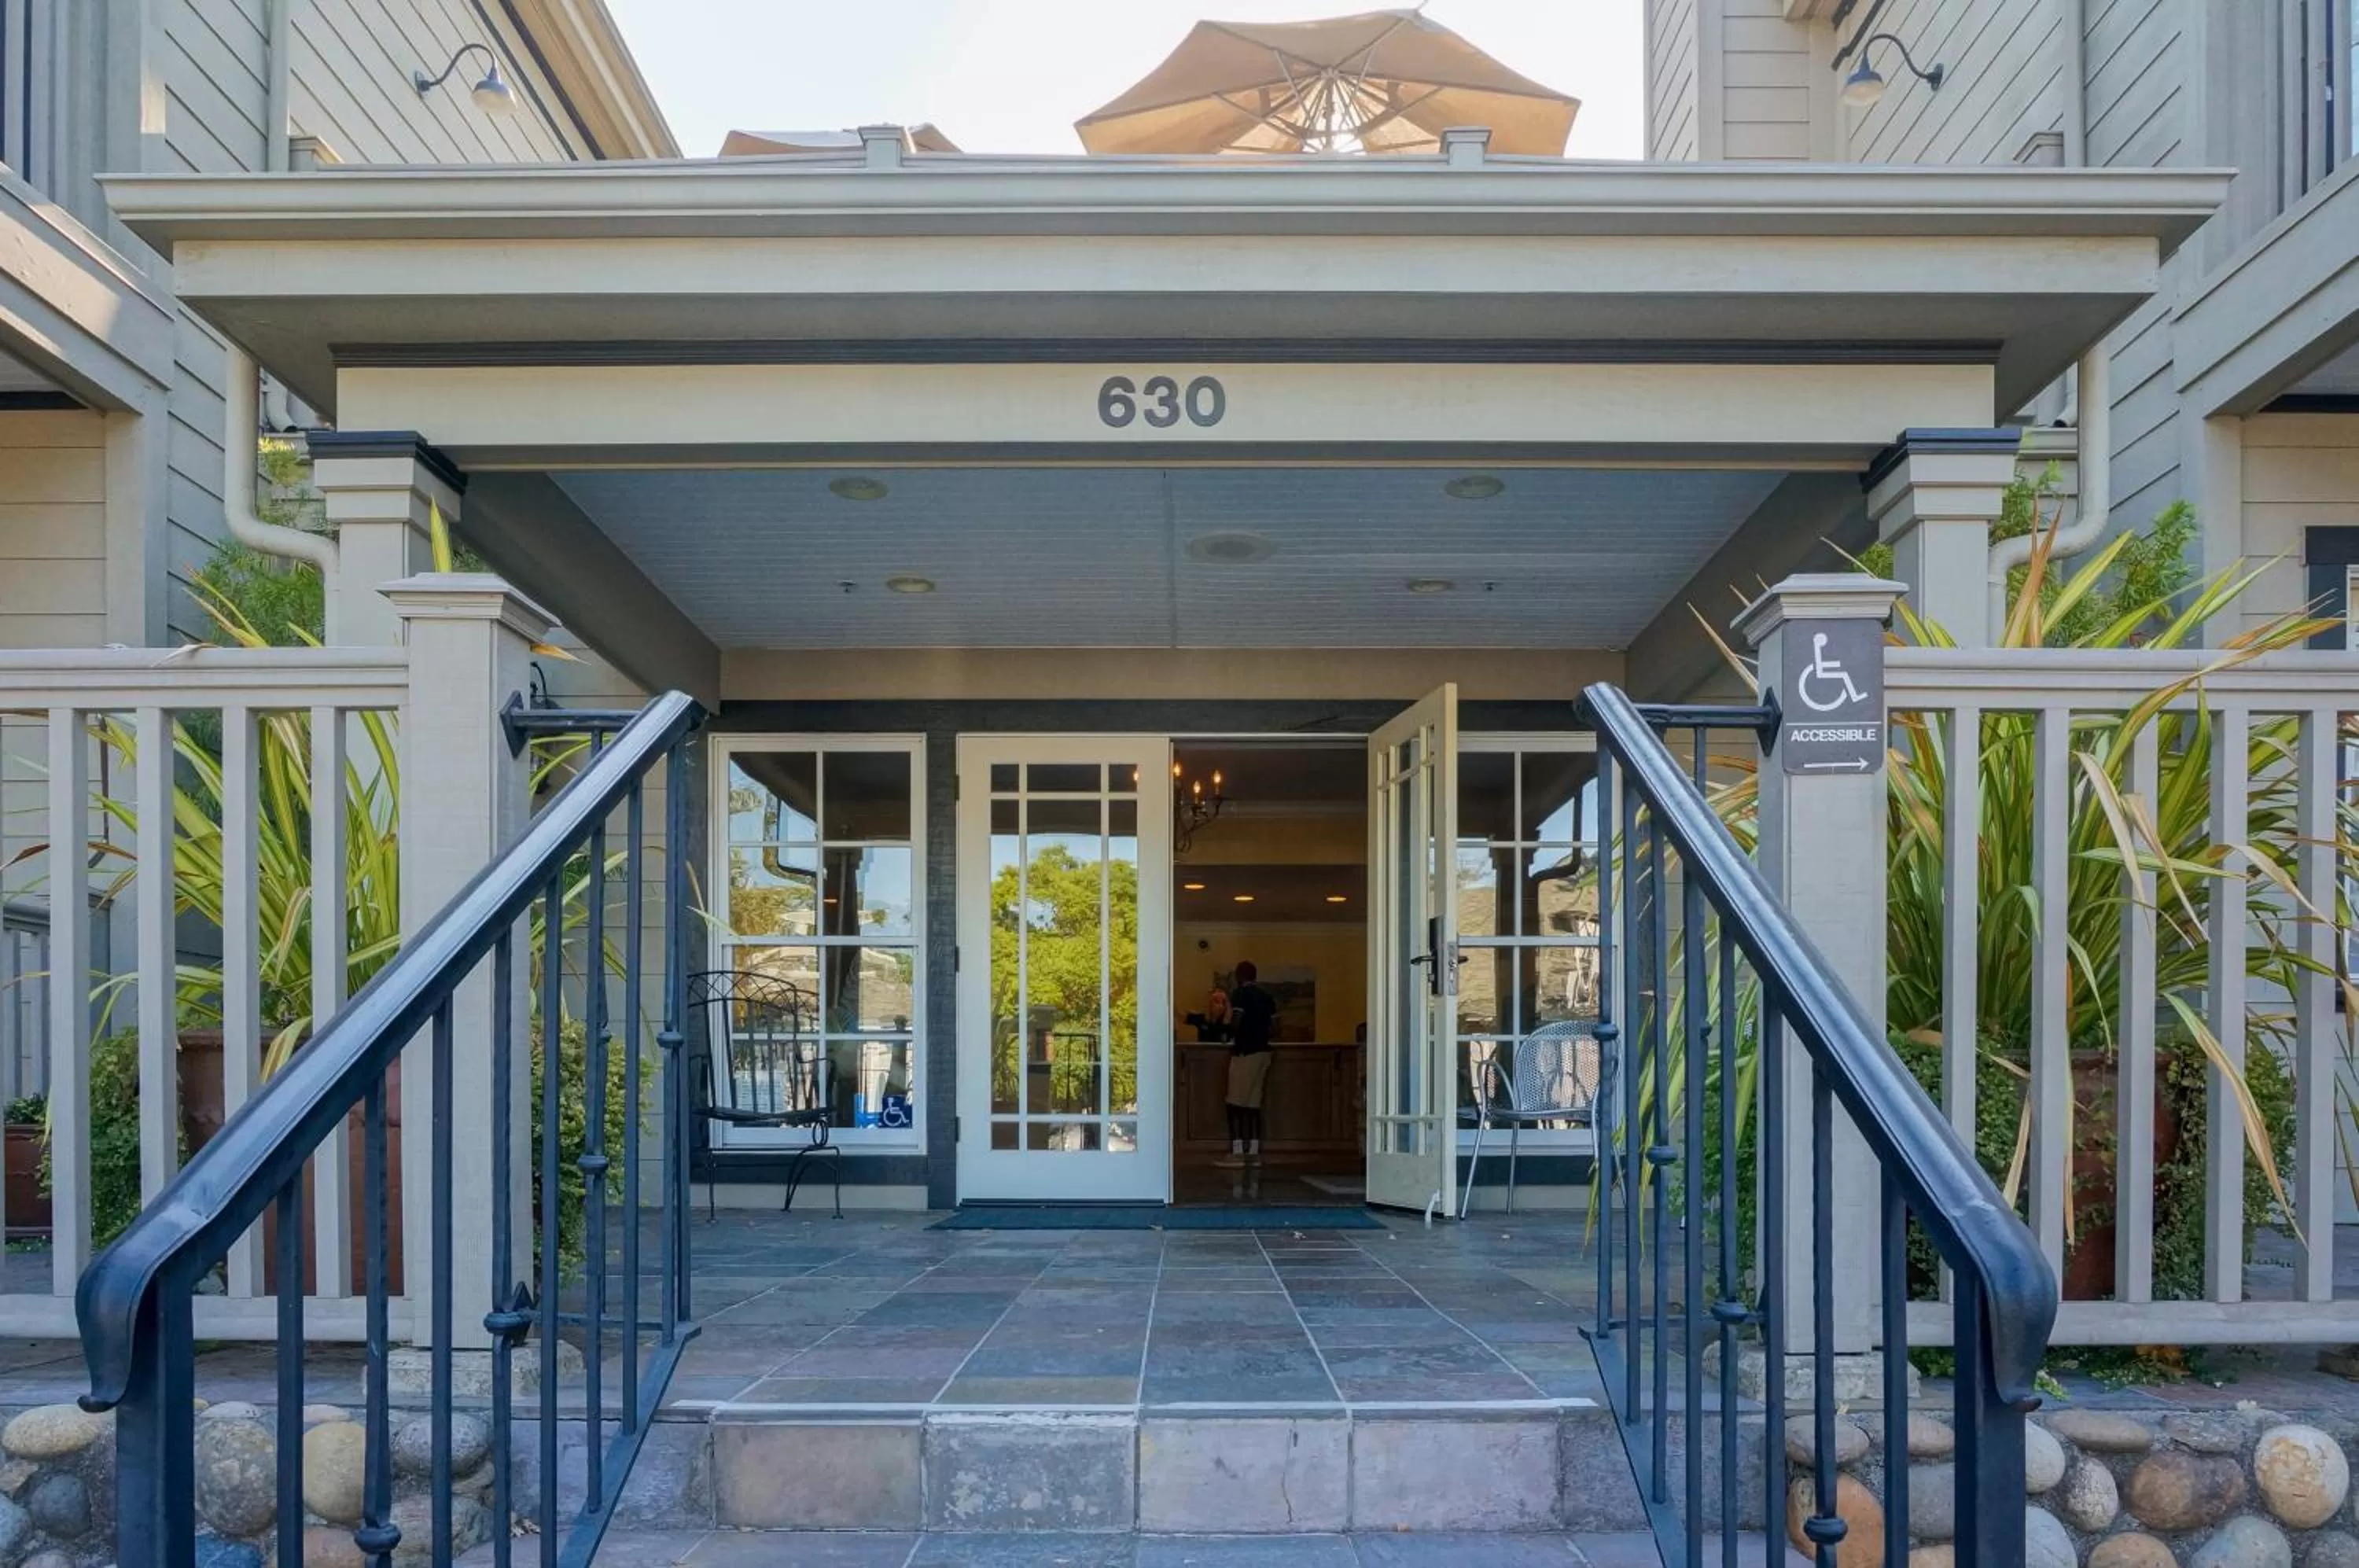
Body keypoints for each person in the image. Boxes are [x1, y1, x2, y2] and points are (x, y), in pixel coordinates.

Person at [1216, 961, 1277, 1166]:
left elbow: (1237, 1022)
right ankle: (1254, 1151)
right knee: (1253, 1105)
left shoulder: (1240, 995)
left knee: (1234, 1103)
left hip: (1246, 1053)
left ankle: (1236, 1152)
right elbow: (1275, 1027)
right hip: (1264, 1053)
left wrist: (1228, 1033)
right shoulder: (1267, 997)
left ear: (1238, 976)